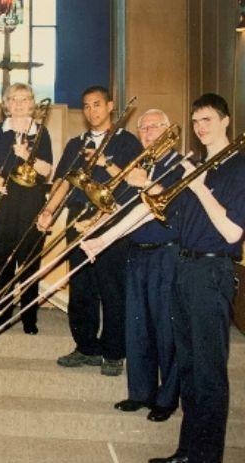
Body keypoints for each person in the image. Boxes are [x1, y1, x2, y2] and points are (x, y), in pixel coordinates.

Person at [82, 93, 245, 463]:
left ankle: (206, 457)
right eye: (196, 121)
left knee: (207, 372)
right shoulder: (201, 165)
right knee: (188, 367)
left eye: (207, 120)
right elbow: (153, 210)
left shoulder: (237, 167)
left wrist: (199, 187)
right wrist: (104, 238)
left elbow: (233, 231)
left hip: (211, 269)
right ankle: (188, 451)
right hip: (185, 268)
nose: (201, 128)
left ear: (225, 121)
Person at [37, 86, 142, 376]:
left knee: (112, 289)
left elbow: (133, 184)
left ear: (110, 106)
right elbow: (63, 183)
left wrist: (105, 161)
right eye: (86, 106)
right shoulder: (75, 144)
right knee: (81, 286)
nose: (91, 111)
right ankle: (86, 347)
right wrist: (48, 211)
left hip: (111, 222)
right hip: (78, 219)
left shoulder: (127, 142)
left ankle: (113, 352)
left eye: (97, 104)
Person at [110, 109, 180, 423]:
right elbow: (124, 208)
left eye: (155, 126)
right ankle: (140, 392)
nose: (149, 132)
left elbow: (173, 206)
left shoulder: (180, 163)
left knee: (166, 328)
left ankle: (167, 398)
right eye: (144, 128)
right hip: (136, 251)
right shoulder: (141, 165)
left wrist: (146, 183)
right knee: (137, 327)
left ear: (168, 130)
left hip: (166, 254)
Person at [0, 83, 53, 335]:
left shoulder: (42, 132)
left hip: (31, 202)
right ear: (6, 104)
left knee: (30, 262)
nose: (20, 104)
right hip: (3, 201)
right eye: (14, 99)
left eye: (25, 99)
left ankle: (29, 317)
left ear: (32, 103)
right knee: (4, 261)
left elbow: (47, 171)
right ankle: (1, 314)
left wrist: (26, 156)